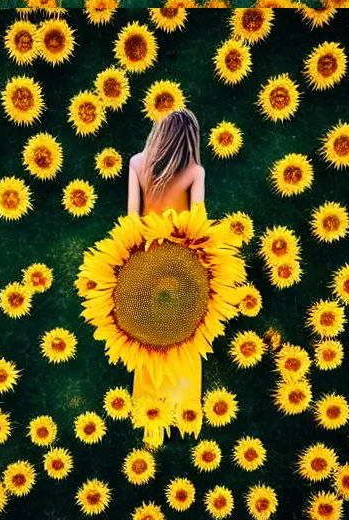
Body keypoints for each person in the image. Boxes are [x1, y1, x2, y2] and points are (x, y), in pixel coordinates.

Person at [126, 109, 206, 448]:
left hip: (146, 260)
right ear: (190, 139)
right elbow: (198, 221)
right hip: (181, 263)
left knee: (147, 335)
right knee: (184, 337)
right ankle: (182, 411)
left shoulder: (137, 163)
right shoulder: (194, 171)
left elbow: (131, 218)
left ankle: (149, 416)